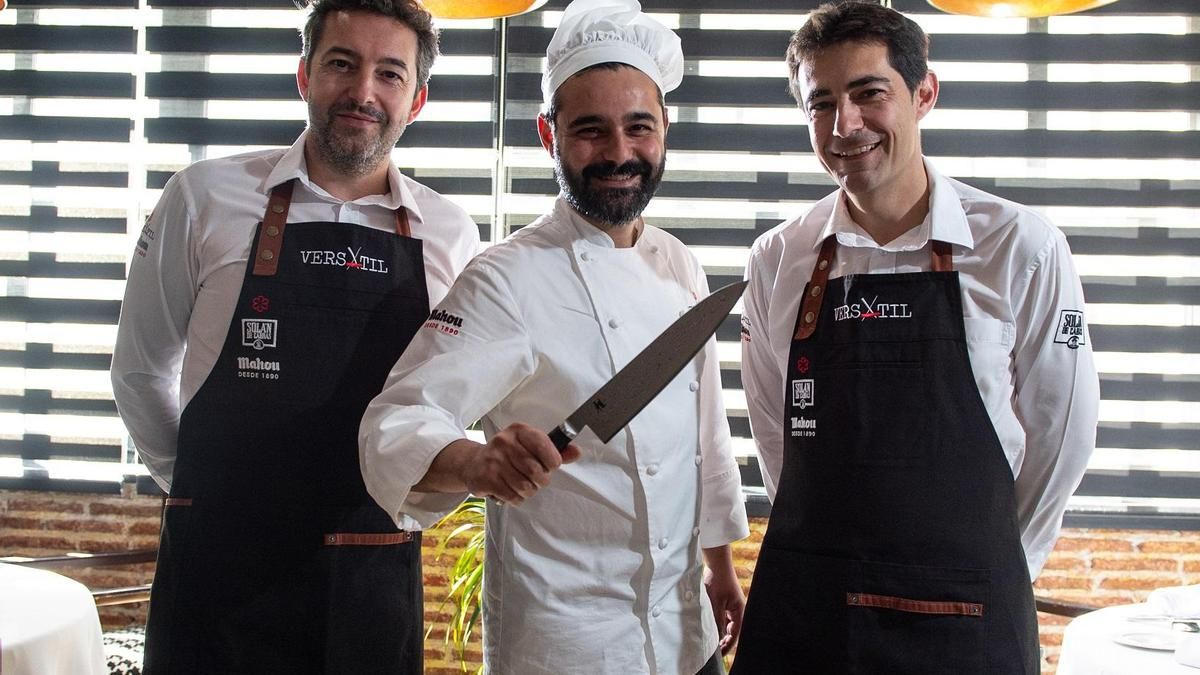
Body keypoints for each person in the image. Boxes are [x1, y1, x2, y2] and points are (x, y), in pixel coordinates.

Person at [358, 1, 749, 673]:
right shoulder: (506, 279)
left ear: (664, 131)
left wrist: (721, 568)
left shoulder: (680, 264)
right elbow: (394, 419)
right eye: (591, 130)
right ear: (549, 134)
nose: (620, 153)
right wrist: (475, 461)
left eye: (638, 127)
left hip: (686, 636)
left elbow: (706, 439)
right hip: (567, 645)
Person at [109, 0, 480, 671]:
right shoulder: (204, 196)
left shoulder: (448, 232)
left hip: (370, 585)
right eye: (342, 63)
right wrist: (198, 487)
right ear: (305, 73)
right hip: (216, 580)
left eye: (389, 74)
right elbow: (139, 372)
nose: (363, 91)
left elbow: (444, 402)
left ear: (416, 99)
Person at [731, 2, 1099, 673]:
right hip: (811, 617)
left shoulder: (1019, 245)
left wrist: (992, 566)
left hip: (965, 621)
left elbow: (1062, 436)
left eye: (870, 93)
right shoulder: (778, 257)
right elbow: (776, 437)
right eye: (822, 103)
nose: (846, 124)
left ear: (923, 93)